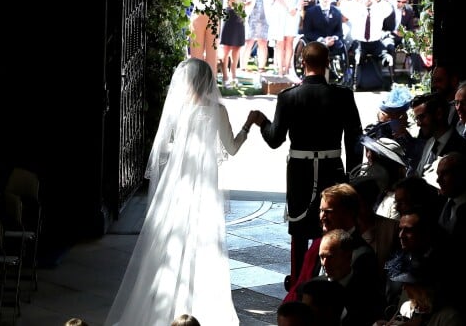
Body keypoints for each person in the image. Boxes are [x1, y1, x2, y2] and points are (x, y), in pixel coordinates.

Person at [104, 58, 255, 326]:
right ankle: (195, 308)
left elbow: (165, 147)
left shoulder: (180, 109)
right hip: (204, 192)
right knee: (203, 246)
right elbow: (231, 148)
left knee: (172, 246)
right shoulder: (216, 111)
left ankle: (168, 306)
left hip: (177, 189)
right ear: (208, 81)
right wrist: (248, 125)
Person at [250, 42, 363, 285]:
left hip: (300, 173)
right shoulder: (342, 95)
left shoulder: (289, 97)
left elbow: (274, 139)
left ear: (302, 62)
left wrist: (262, 122)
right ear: (327, 63)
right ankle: (329, 276)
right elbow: (355, 138)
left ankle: (299, 282)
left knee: (300, 231)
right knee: (331, 224)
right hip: (332, 169)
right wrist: (352, 176)